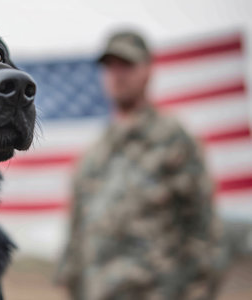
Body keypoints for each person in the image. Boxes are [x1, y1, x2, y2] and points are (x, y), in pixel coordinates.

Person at [55, 31, 227, 300]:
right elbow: (76, 241)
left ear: (148, 70)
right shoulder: (93, 154)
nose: (117, 74)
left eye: (127, 65)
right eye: (110, 66)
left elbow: (205, 235)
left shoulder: (174, 140)